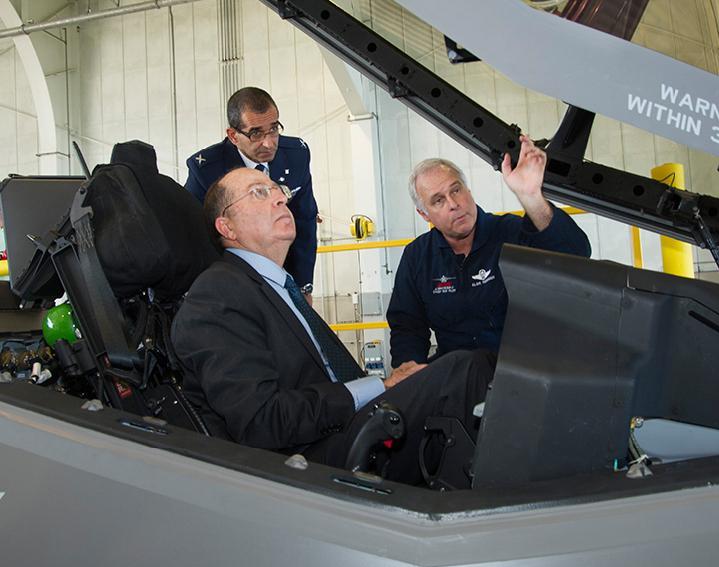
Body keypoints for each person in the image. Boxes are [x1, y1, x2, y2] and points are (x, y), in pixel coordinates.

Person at [172, 166, 494, 485]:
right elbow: (262, 420)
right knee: (465, 371)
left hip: (352, 426)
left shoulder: (281, 289)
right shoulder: (217, 293)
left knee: (471, 370)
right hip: (312, 457)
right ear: (226, 227)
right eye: (258, 192)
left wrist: (383, 386)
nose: (280, 200)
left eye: (278, 191)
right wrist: (378, 387)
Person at [386, 134, 591, 369]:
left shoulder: (510, 234)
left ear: (468, 191)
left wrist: (531, 197)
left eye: (456, 190)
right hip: (457, 379)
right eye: (438, 200)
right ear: (424, 214)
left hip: (522, 373)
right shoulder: (417, 257)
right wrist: (409, 369)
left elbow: (576, 254)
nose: (454, 204)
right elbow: (407, 326)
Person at [184, 87, 318, 293]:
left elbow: (305, 223)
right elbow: (199, 240)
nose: (268, 142)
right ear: (233, 135)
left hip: (286, 277)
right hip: (234, 281)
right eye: (255, 133)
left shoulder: (296, 155)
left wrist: (302, 286)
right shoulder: (207, 172)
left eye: (274, 129)